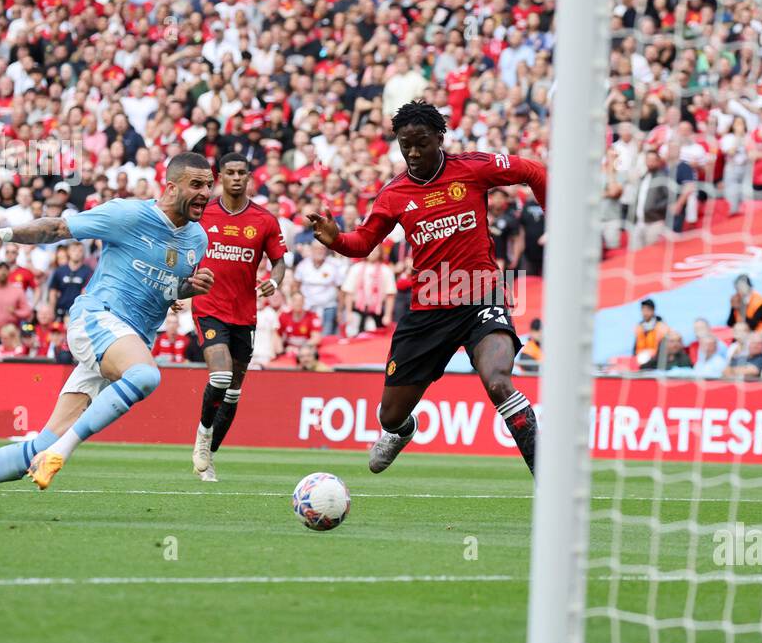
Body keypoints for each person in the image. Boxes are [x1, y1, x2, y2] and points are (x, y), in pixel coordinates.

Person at [0, 154, 215, 517]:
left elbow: (167, 287)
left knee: (40, 444)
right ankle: (61, 454)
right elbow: (58, 229)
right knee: (146, 375)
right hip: (96, 320)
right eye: (197, 185)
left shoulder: (197, 239)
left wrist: (187, 288)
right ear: (171, 186)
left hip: (124, 342)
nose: (206, 193)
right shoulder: (129, 215)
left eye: (208, 185)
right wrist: (2, 234)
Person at [306, 101, 547, 476]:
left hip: (480, 296)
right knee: (390, 414)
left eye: (422, 143)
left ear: (440, 138)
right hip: (428, 310)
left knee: (498, 383)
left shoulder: (472, 168)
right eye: (406, 146)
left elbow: (534, 170)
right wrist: (336, 239)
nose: (414, 153)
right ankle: (402, 432)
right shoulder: (394, 194)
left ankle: (548, 482)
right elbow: (362, 244)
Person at [190, 153, 287, 482]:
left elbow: (280, 261)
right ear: (220, 176)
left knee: (233, 393)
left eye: (241, 173)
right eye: (229, 172)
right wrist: (177, 286)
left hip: (244, 314)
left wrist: (275, 280)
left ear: (249, 177)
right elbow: (178, 246)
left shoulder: (264, 220)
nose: (235, 178)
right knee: (219, 378)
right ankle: (202, 438)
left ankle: (211, 455)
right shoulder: (203, 214)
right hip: (208, 308)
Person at [632, 299, 669, 365]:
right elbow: (635, 348)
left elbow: (663, 348)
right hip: (640, 360)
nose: (645, 313)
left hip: (655, 361)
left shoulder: (661, 327)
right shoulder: (639, 327)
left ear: (653, 311)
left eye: (647, 310)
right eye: (643, 310)